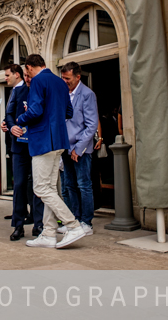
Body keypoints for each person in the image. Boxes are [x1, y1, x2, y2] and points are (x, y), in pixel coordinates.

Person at [12, 54, 85, 249]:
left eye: (26, 71)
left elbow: (35, 111)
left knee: (41, 188)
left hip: (43, 141)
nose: (26, 75)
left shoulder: (37, 81)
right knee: (50, 188)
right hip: (59, 140)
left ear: (29, 67)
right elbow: (68, 113)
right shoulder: (60, 83)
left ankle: (73, 225)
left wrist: (19, 120)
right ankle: (49, 233)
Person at [3, 63, 43, 240]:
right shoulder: (17, 92)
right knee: (18, 185)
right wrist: (11, 127)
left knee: (38, 185)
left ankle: (39, 223)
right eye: (25, 76)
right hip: (19, 147)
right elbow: (9, 115)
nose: (27, 79)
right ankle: (18, 225)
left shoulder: (40, 90)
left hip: (37, 145)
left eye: (29, 75)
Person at [60, 61, 99, 235]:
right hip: (65, 148)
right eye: (63, 78)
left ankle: (87, 222)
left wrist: (78, 148)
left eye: (67, 78)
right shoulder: (63, 93)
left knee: (84, 185)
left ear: (78, 77)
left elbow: (91, 126)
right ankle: (73, 221)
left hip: (81, 149)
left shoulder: (87, 94)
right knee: (69, 186)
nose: (65, 82)